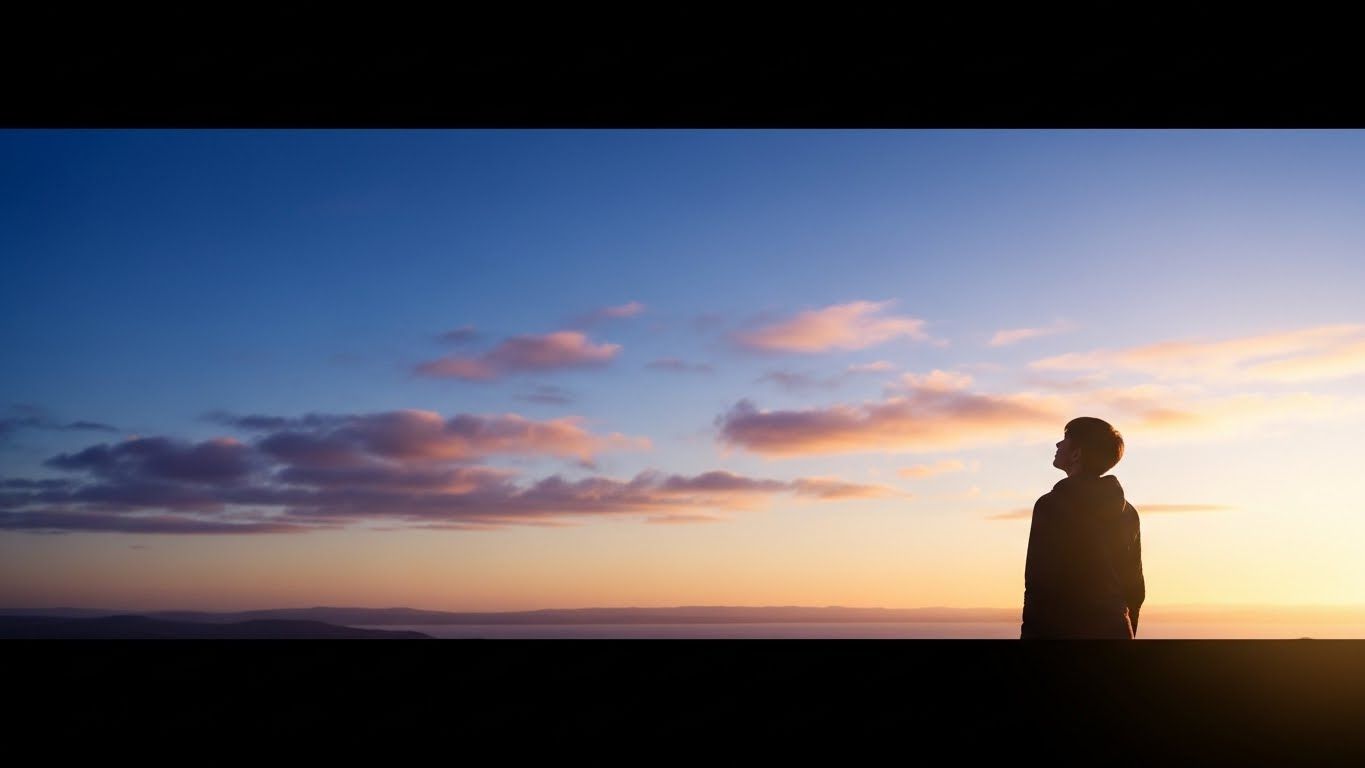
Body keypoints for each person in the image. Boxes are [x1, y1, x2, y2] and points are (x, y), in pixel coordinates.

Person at [1021, 417, 1145, 639]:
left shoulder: (1051, 505)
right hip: (1116, 632)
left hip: (1061, 633)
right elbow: (1135, 587)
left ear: (1077, 454)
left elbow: (1039, 582)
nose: (1058, 445)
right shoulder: (1128, 513)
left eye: (1066, 440)